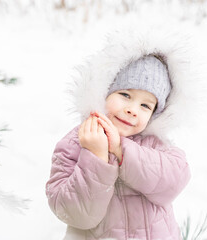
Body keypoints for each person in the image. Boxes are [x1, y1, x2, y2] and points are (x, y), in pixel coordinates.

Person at [46, 24, 194, 240]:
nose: (132, 110)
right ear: (103, 92)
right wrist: (96, 156)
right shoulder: (75, 143)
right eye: (125, 95)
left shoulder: (156, 145)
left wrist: (120, 149)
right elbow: (75, 214)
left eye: (146, 106)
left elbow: (174, 181)